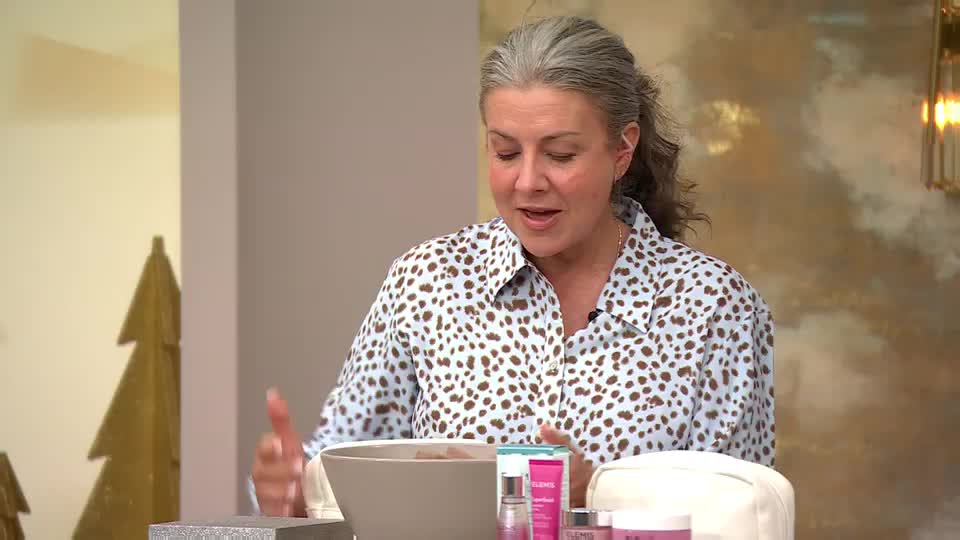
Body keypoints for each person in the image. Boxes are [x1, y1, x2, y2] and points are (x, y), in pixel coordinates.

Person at [251, 15, 775, 517]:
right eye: (505, 153)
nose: (527, 182)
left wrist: (596, 495)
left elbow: (741, 517)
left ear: (621, 150)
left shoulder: (715, 305)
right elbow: (333, 480)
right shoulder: (428, 281)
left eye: (561, 155)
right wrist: (292, 493)